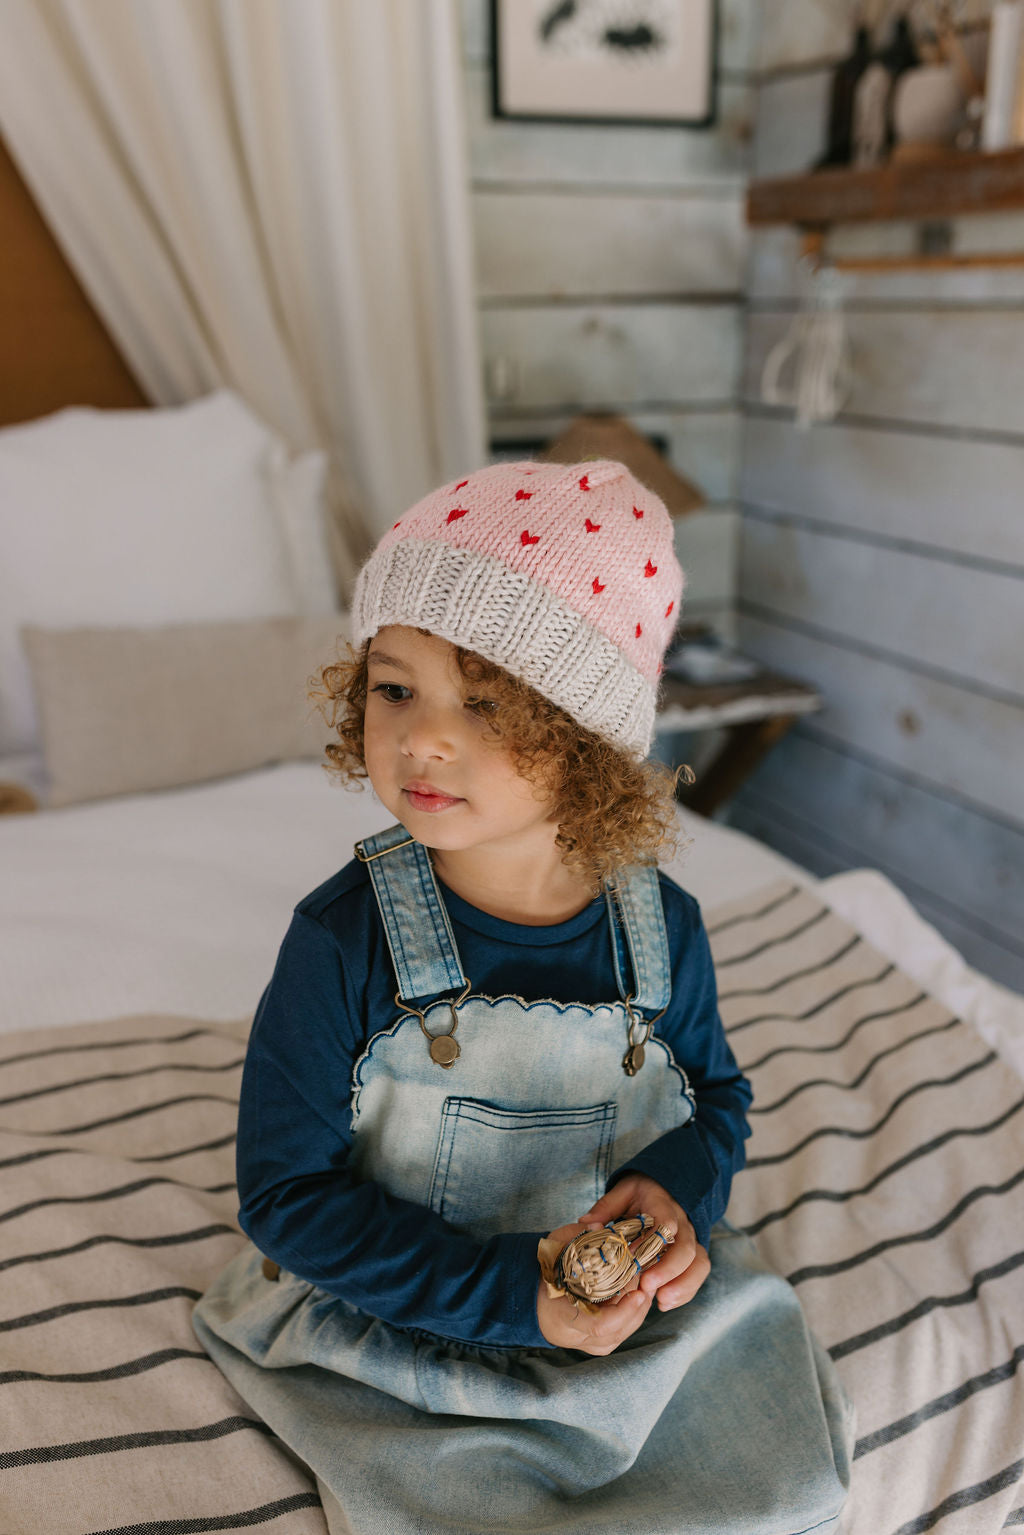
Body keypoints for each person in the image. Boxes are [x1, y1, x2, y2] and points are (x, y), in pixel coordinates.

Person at [193, 458, 853, 1534]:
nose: (424, 737)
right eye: (395, 685)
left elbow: (717, 1101)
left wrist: (674, 1194)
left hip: (623, 1317)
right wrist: (513, 1298)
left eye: (488, 701)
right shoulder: (341, 939)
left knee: (778, 1484)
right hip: (414, 1318)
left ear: (588, 744)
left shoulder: (662, 925)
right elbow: (285, 1197)